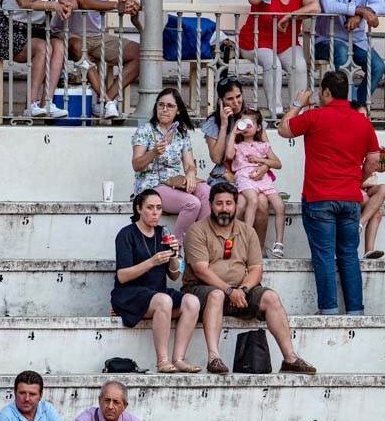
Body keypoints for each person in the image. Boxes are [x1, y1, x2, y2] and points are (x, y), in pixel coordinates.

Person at [182, 184, 316, 376]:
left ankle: (290, 358)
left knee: (271, 297)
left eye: (229, 203)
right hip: (203, 289)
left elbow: (256, 269)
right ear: (210, 205)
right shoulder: (197, 230)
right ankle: (214, 358)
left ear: (236, 205)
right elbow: (201, 270)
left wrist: (243, 290)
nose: (224, 208)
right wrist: (229, 290)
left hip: (240, 292)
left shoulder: (247, 231)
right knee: (217, 295)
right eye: (219, 203)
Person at [278, 71, 380, 314]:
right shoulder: (362, 121)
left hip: (319, 197)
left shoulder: (315, 116)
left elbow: (283, 130)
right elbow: (374, 160)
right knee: (348, 255)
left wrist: (297, 105)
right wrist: (358, 179)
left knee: (323, 256)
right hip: (350, 198)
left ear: (325, 92)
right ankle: (355, 311)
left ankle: (329, 310)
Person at [109, 191, 201, 374]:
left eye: (159, 208)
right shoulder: (126, 234)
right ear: (139, 209)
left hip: (157, 293)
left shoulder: (163, 233)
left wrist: (175, 254)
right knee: (164, 301)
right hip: (130, 293)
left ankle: (179, 359)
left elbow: (175, 275)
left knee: (192, 302)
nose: (155, 213)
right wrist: (152, 261)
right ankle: (162, 361)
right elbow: (122, 276)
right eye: (150, 208)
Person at [0, 0, 74, 119]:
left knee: (59, 46)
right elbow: (24, 2)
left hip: (36, 31)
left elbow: (71, 0)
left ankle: (47, 103)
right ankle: (30, 105)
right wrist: (53, 4)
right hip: (9, 31)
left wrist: (67, 5)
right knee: (44, 47)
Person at [59, 0, 140, 120]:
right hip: (68, 34)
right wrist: (118, 5)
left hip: (97, 36)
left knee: (141, 54)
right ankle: (108, 101)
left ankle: (104, 103)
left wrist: (131, 5)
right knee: (77, 46)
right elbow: (83, 2)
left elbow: (129, 0)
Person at [238, 0, 317, 117]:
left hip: (286, 43)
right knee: (273, 64)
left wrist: (290, 15)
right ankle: (277, 112)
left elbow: (315, 6)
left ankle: (296, 112)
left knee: (299, 66)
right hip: (256, 41)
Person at [131, 88, 211, 241]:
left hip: (174, 181)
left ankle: (199, 243)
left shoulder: (181, 133)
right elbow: (136, 164)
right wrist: (154, 152)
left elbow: (189, 164)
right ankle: (177, 246)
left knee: (206, 191)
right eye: (161, 105)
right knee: (192, 203)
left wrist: (191, 175)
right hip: (152, 184)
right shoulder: (145, 131)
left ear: (178, 110)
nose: (164, 110)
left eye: (169, 106)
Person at [314, 0, 385, 103]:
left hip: (357, 42)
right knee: (342, 52)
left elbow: (382, 5)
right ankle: (352, 109)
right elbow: (329, 6)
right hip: (326, 41)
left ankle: (357, 107)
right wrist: (360, 10)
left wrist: (359, 15)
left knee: (377, 66)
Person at [225, 109, 285, 254]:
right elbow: (228, 155)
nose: (245, 127)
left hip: (263, 179)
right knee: (252, 200)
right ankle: (246, 238)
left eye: (249, 124)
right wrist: (233, 133)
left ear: (258, 127)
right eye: (242, 123)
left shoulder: (263, 145)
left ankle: (279, 243)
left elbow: (277, 164)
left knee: (280, 206)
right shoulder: (237, 146)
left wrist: (260, 160)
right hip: (245, 177)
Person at [349, 100, 385, 259]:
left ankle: (360, 224)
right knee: (377, 210)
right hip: (353, 187)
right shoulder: (347, 137)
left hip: (368, 188)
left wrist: (379, 167)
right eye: (361, 116)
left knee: (384, 188)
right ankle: (368, 249)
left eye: (366, 116)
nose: (364, 120)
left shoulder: (368, 136)